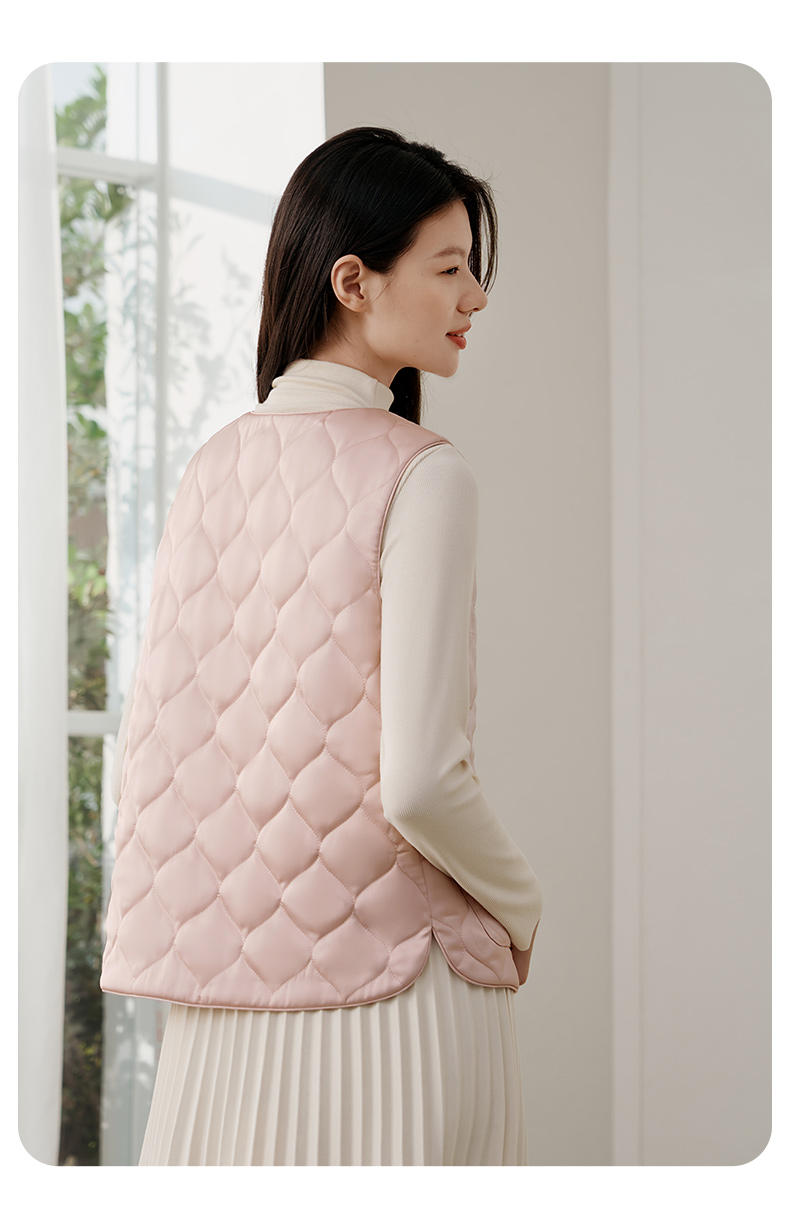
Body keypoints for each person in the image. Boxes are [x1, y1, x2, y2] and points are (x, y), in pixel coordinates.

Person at [102, 126, 543, 1166]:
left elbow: (171, 748)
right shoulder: (423, 474)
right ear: (353, 281)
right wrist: (522, 902)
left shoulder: (211, 467)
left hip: (220, 998)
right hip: (395, 990)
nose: (476, 296)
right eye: (449, 268)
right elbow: (422, 783)